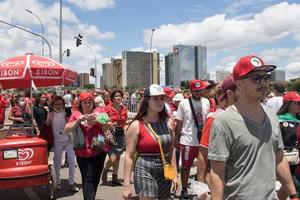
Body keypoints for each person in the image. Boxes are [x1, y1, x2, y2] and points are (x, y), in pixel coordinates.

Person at [208, 55, 297, 200]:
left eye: (266, 77)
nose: (263, 83)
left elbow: (279, 159)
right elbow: (217, 173)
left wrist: (293, 194)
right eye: (256, 78)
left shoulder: (271, 116)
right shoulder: (224, 122)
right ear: (239, 84)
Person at [123, 84, 178, 200]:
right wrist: (127, 185)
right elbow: (128, 156)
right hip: (144, 169)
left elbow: (172, 149)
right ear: (147, 101)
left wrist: (175, 175)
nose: (160, 101)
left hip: (165, 169)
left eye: (162, 98)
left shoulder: (168, 122)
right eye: (155, 98)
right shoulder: (136, 125)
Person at [197, 75, 239, 187]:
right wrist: (201, 186)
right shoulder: (214, 118)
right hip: (223, 180)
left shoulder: (249, 115)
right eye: (219, 94)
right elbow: (203, 153)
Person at [65, 92, 107, 200]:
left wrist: (95, 122)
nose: (87, 105)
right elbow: (66, 129)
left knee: (96, 178)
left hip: (99, 151)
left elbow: (109, 125)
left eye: (89, 102)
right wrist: (78, 121)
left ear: (93, 103)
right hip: (82, 154)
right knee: (88, 178)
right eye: (85, 103)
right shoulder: (76, 114)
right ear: (81, 104)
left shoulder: (100, 111)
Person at [175, 79, 210, 199]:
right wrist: (176, 138)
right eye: (195, 91)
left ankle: (201, 190)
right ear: (191, 91)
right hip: (187, 141)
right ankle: (184, 189)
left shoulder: (206, 102)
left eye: (200, 90)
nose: (198, 93)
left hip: (203, 142)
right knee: (186, 167)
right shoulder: (183, 103)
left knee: (203, 168)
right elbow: (179, 122)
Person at [46, 96, 79, 192]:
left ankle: (71, 183)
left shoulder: (67, 112)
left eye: (60, 104)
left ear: (63, 104)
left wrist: (69, 116)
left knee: (72, 161)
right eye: (56, 104)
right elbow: (47, 124)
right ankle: (58, 181)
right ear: (53, 105)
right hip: (57, 141)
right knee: (57, 162)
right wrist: (49, 115)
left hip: (68, 140)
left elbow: (71, 123)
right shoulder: (51, 113)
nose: (59, 106)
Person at [102, 89, 128, 186]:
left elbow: (124, 122)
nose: (118, 97)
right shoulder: (107, 108)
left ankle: (115, 178)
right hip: (109, 133)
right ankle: (105, 170)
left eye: (120, 96)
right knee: (112, 158)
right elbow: (101, 121)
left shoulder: (124, 108)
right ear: (112, 98)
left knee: (117, 158)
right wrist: (109, 124)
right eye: (116, 96)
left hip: (120, 134)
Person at [277, 91, 300, 198]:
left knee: (289, 185)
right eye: (297, 103)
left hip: (294, 158)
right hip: (286, 158)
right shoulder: (279, 120)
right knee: (290, 184)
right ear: (289, 104)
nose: (299, 106)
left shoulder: (297, 120)